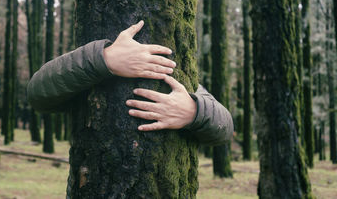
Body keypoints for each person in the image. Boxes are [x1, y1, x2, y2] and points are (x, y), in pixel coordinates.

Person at [27, 21, 233, 145]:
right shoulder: (89, 77)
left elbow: (225, 128)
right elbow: (37, 93)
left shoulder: (178, 79)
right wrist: (104, 59)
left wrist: (193, 111)